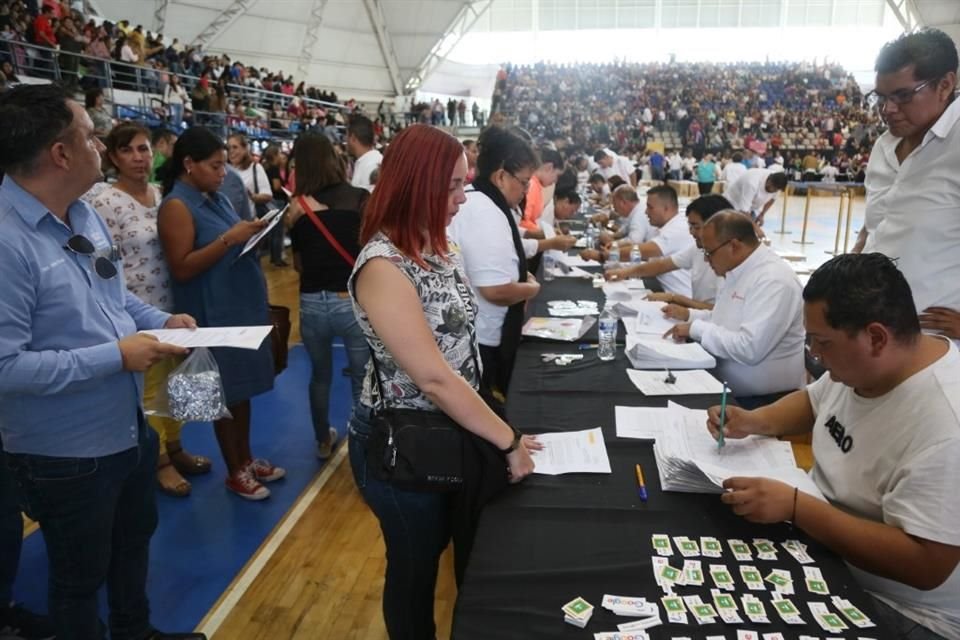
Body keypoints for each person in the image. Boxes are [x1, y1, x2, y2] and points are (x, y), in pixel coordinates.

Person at [0, 83, 205, 640]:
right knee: (77, 578)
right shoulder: (7, 242)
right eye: (90, 136)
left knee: (133, 541)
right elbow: (5, 369)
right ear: (60, 154)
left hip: (124, 425)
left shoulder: (83, 214)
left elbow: (113, 296)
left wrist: (158, 321)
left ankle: (134, 631)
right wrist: (115, 357)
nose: (101, 145)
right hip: (62, 451)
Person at [346, 123, 537, 640]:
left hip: (446, 428)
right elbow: (432, 377)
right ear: (419, 184)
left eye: (465, 182)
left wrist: (494, 423)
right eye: (453, 185)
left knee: (440, 549)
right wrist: (507, 438)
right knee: (414, 570)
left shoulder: (441, 243)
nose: (463, 196)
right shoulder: (384, 265)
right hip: (402, 442)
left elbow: (462, 354)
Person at [711, 253, 960, 638]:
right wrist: (753, 420)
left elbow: (926, 565)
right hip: (822, 540)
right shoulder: (867, 365)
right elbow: (815, 400)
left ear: (876, 337)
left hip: (903, 608)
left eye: (821, 343)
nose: (814, 355)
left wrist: (798, 508)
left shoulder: (945, 424)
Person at [157, 127, 285, 501]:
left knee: (240, 392)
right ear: (188, 164)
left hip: (235, 307)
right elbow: (181, 267)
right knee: (223, 396)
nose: (222, 173)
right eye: (215, 165)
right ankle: (235, 470)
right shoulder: (177, 206)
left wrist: (252, 234)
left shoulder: (212, 197)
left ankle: (245, 459)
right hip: (210, 313)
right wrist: (232, 238)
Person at [86, 122, 212, 498]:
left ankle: (175, 448)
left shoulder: (161, 194)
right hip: (136, 311)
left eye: (144, 149)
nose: (139, 158)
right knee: (149, 393)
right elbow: (103, 265)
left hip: (173, 307)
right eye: (128, 150)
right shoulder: (104, 202)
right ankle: (158, 462)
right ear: (112, 157)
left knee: (174, 386)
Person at [854, 29, 960, 340]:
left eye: (902, 95)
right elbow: (876, 224)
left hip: (939, 344)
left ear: (945, 85)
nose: (888, 109)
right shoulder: (885, 146)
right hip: (876, 329)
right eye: (881, 97)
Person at [448, 127, 552, 396]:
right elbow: (495, 290)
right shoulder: (485, 212)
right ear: (502, 176)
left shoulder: (483, 202)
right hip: (482, 338)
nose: (526, 190)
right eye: (524, 181)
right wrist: (531, 288)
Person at [285, 133, 369, 459]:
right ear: (335, 159)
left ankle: (323, 440)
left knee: (320, 376)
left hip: (311, 303)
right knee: (362, 378)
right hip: (349, 300)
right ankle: (362, 446)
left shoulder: (298, 207)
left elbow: (298, 264)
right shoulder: (361, 199)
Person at [665, 211, 805, 405]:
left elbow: (749, 348)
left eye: (709, 252)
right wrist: (689, 316)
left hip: (763, 401)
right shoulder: (738, 269)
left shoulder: (774, 281)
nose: (706, 260)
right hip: (725, 383)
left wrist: (696, 328)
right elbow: (724, 319)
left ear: (734, 246)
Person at [605, 194, 730, 312]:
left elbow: (718, 312)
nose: (691, 232)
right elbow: (663, 265)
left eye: (696, 227)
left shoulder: (730, 263)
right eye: (690, 227)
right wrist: (624, 272)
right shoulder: (698, 248)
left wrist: (674, 298)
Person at [581, 185, 695, 297]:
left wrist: (604, 255)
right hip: (662, 289)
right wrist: (624, 269)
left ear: (666, 208)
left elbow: (643, 250)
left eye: (650, 207)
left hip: (678, 296)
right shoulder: (661, 227)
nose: (646, 212)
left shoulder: (677, 228)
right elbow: (652, 260)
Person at [519, 146, 561, 235]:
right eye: (557, 175)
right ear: (549, 167)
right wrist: (544, 234)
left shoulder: (536, 184)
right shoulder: (532, 185)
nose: (555, 181)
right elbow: (523, 221)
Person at [724, 168, 788, 226]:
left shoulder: (777, 182)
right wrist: (757, 229)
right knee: (733, 230)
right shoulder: (752, 182)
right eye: (775, 189)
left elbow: (772, 199)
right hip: (732, 204)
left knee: (749, 233)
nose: (776, 191)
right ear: (769, 183)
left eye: (777, 190)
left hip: (751, 208)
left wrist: (762, 214)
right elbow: (743, 210)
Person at [346, 114, 381, 192]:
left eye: (347, 136)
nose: (346, 141)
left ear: (353, 138)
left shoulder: (371, 165)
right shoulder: (367, 161)